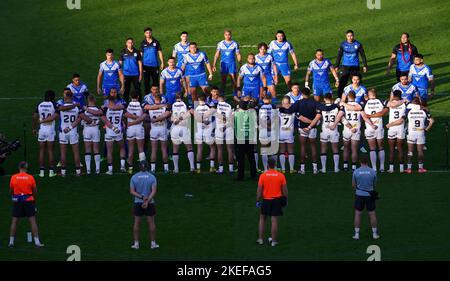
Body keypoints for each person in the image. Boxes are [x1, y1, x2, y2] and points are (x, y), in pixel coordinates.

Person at [9, 161, 44, 247]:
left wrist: (15, 196)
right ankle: (37, 242)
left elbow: (11, 191)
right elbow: (35, 191)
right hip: (28, 201)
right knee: (32, 221)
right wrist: (33, 199)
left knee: (14, 221)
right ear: (26, 168)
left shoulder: (13, 177)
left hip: (17, 201)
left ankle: (11, 242)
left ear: (19, 168)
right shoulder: (30, 177)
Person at [256, 157, 288, 246]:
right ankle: (273, 241)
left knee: (262, 219)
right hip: (277, 201)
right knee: (274, 220)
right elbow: (285, 190)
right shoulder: (281, 175)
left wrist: (258, 200)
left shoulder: (263, 176)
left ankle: (260, 239)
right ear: (275, 165)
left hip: (266, 200)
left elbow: (259, 191)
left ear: (267, 165)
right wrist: (286, 199)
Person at [129, 160, 159, 250]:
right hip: (150, 203)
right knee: (151, 222)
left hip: (138, 202)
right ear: (147, 167)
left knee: (137, 223)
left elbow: (132, 191)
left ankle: (136, 244)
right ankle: (153, 243)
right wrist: (147, 201)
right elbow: (154, 191)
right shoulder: (152, 177)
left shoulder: (134, 177)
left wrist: (142, 198)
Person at [101, 88, 129, 175]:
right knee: (122, 148)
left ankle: (110, 170)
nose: (113, 93)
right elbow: (125, 112)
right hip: (118, 131)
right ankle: (123, 166)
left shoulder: (106, 106)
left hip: (109, 131)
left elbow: (102, 116)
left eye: (115, 92)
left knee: (110, 151)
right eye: (112, 92)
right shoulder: (121, 107)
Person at [352, 154, 379, 240]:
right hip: (369, 195)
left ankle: (356, 234)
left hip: (359, 195)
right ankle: (374, 234)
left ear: (360, 161)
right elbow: (374, 184)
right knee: (372, 214)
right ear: (368, 161)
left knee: (358, 214)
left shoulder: (356, 172)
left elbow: (353, 185)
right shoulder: (372, 171)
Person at [361, 89, 388, 172]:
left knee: (372, 148)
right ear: (376, 94)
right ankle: (382, 167)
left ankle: (374, 168)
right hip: (379, 127)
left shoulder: (364, 103)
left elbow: (363, 116)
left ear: (368, 95)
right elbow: (385, 111)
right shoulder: (381, 101)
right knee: (381, 147)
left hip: (369, 128)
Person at [405, 97, 434, 173]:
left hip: (411, 133)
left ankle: (409, 168)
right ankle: (420, 168)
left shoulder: (408, 111)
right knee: (420, 151)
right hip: (420, 132)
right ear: (419, 103)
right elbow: (432, 121)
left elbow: (403, 120)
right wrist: (427, 129)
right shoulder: (424, 111)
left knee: (410, 151)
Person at [335, 30, 368, 97]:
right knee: (342, 83)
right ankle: (339, 97)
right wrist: (336, 66)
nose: (350, 37)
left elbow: (363, 55)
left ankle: (356, 97)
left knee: (356, 82)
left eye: (351, 35)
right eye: (348, 36)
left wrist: (365, 65)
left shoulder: (358, 44)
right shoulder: (343, 45)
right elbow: (339, 55)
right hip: (345, 66)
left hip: (355, 66)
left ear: (353, 36)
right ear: (346, 36)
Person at [32, 90, 57, 178]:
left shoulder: (39, 104)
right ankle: (51, 172)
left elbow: (34, 116)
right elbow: (56, 115)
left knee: (42, 150)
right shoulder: (54, 105)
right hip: (50, 129)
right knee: (50, 151)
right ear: (51, 97)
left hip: (42, 130)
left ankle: (41, 172)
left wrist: (34, 128)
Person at [170, 93, 195, 173]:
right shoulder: (186, 104)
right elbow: (190, 113)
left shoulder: (172, 105)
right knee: (189, 148)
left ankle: (176, 169)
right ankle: (192, 167)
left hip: (175, 128)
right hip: (184, 127)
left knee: (175, 149)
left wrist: (175, 120)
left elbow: (170, 117)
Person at [234, 97, 258, 180]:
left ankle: (240, 176)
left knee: (241, 159)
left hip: (240, 138)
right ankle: (253, 175)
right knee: (251, 157)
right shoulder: (252, 113)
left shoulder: (236, 113)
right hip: (250, 138)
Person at [212, 29, 242, 95]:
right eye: (226, 35)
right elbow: (217, 54)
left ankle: (235, 94)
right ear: (224, 35)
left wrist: (240, 64)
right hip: (224, 64)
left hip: (232, 64)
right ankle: (222, 94)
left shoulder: (235, 44)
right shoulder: (220, 44)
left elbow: (238, 54)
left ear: (231, 35)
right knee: (223, 80)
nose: (228, 36)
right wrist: (214, 65)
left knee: (234, 80)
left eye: (229, 34)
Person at [148, 93, 172, 173]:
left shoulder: (151, 107)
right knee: (164, 150)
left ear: (154, 98)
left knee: (154, 150)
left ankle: (153, 169)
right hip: (163, 129)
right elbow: (169, 118)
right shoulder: (165, 107)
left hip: (154, 130)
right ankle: (166, 168)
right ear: (161, 99)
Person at [126, 91, 148, 174]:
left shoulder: (127, 105)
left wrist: (130, 122)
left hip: (130, 129)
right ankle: (143, 168)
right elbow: (143, 117)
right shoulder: (141, 105)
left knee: (131, 149)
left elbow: (125, 115)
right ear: (138, 97)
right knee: (141, 149)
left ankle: (130, 169)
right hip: (139, 129)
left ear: (131, 96)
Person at [194, 93, 216, 173]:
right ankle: (212, 167)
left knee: (199, 149)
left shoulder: (196, 108)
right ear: (205, 99)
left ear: (199, 99)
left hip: (199, 131)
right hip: (208, 131)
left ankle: (198, 168)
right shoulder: (209, 107)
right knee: (212, 148)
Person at [213, 91, 235, 174]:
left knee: (219, 150)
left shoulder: (216, 106)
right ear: (225, 98)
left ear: (218, 98)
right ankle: (231, 169)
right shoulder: (230, 106)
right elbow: (232, 119)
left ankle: (221, 169)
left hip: (219, 128)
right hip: (228, 128)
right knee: (230, 149)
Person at [386, 90, 407, 173]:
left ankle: (391, 168)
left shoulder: (390, 103)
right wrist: (403, 100)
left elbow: (390, 104)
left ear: (393, 95)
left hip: (392, 128)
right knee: (400, 148)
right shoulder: (405, 102)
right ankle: (401, 168)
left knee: (391, 149)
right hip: (401, 128)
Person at [319, 93, 341, 173]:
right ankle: (336, 168)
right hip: (334, 130)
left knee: (323, 149)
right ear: (332, 98)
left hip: (325, 130)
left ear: (324, 99)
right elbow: (340, 118)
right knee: (335, 149)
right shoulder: (336, 108)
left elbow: (319, 119)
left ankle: (324, 169)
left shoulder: (322, 108)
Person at [82, 95, 103, 175]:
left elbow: (82, 122)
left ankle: (88, 170)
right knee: (96, 149)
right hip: (95, 130)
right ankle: (97, 169)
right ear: (94, 100)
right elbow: (101, 121)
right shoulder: (98, 109)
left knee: (87, 150)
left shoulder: (85, 110)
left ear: (87, 100)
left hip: (87, 130)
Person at [140, 27, 164, 94]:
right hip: (145, 66)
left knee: (155, 82)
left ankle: (156, 96)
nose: (148, 34)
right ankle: (147, 97)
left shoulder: (156, 42)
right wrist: (140, 65)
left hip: (154, 65)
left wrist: (162, 62)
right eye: (147, 33)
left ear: (151, 33)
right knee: (146, 82)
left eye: (150, 32)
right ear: (144, 34)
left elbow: (159, 52)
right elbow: (141, 54)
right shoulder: (143, 43)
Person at [119, 38, 143, 102]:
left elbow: (140, 64)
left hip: (136, 74)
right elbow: (120, 64)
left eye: (132, 42)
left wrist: (140, 75)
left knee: (137, 90)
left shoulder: (137, 52)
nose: (130, 44)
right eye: (129, 42)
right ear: (126, 43)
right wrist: (120, 75)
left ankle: (139, 103)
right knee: (126, 90)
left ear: (133, 43)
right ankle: (125, 104)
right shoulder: (123, 52)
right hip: (126, 75)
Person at [258, 95, 277, 171]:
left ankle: (266, 169)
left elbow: (260, 120)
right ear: (270, 100)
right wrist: (269, 126)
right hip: (272, 129)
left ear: (263, 100)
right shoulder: (273, 107)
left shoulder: (261, 108)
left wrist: (265, 126)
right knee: (273, 150)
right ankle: (273, 169)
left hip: (263, 130)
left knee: (264, 149)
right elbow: (275, 118)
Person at [278, 96, 295, 173]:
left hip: (281, 133)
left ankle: (283, 169)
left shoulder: (279, 111)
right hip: (289, 133)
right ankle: (291, 169)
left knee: (282, 151)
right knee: (291, 151)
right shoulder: (293, 111)